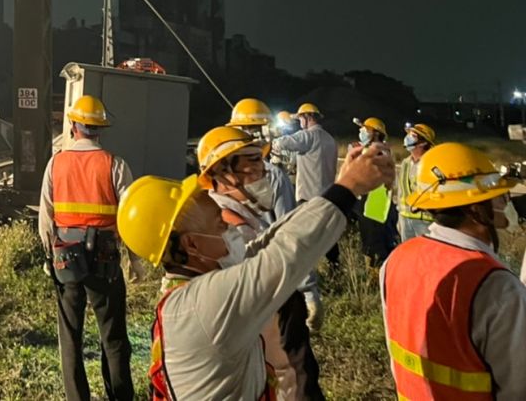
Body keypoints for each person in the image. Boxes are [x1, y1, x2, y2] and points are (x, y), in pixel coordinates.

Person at [121, 142, 392, 400]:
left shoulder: (190, 292)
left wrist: (338, 187)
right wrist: (349, 188)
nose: (230, 230)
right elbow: (283, 255)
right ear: (191, 243)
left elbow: (268, 243)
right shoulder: (204, 304)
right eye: (219, 225)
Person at [381, 142, 526, 398]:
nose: (505, 200)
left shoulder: (396, 259)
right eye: (498, 195)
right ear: (476, 209)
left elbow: (396, 352)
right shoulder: (497, 286)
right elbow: (524, 392)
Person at [199, 125, 323, 401]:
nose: (264, 175)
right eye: (252, 167)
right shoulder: (227, 233)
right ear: (223, 174)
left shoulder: (236, 218)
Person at [38, 94, 135, 401]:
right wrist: (135, 260)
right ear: (99, 130)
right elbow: (133, 217)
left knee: (70, 336)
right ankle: (120, 396)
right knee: (114, 337)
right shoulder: (115, 165)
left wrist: (48, 255)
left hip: (66, 256)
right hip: (105, 259)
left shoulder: (56, 163)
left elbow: (46, 217)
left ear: (73, 126)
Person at [271, 101, 339, 329]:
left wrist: (274, 136)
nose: (298, 122)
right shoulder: (329, 139)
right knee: (328, 239)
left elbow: (281, 144)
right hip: (327, 194)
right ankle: (335, 270)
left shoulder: (308, 136)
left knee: (303, 241)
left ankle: (310, 283)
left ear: (308, 118)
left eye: (300, 118)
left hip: (308, 196)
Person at [351, 117, 396, 266]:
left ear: (376, 133)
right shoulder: (371, 150)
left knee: (375, 241)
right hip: (366, 200)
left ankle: (377, 272)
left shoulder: (380, 151)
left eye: (365, 129)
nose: (361, 132)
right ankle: (372, 269)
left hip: (375, 202)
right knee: (368, 241)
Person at [395, 122, 435, 242]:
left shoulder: (431, 163)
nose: (407, 138)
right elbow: (401, 190)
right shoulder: (406, 163)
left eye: (413, 136)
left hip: (424, 220)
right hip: (405, 217)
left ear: (423, 142)